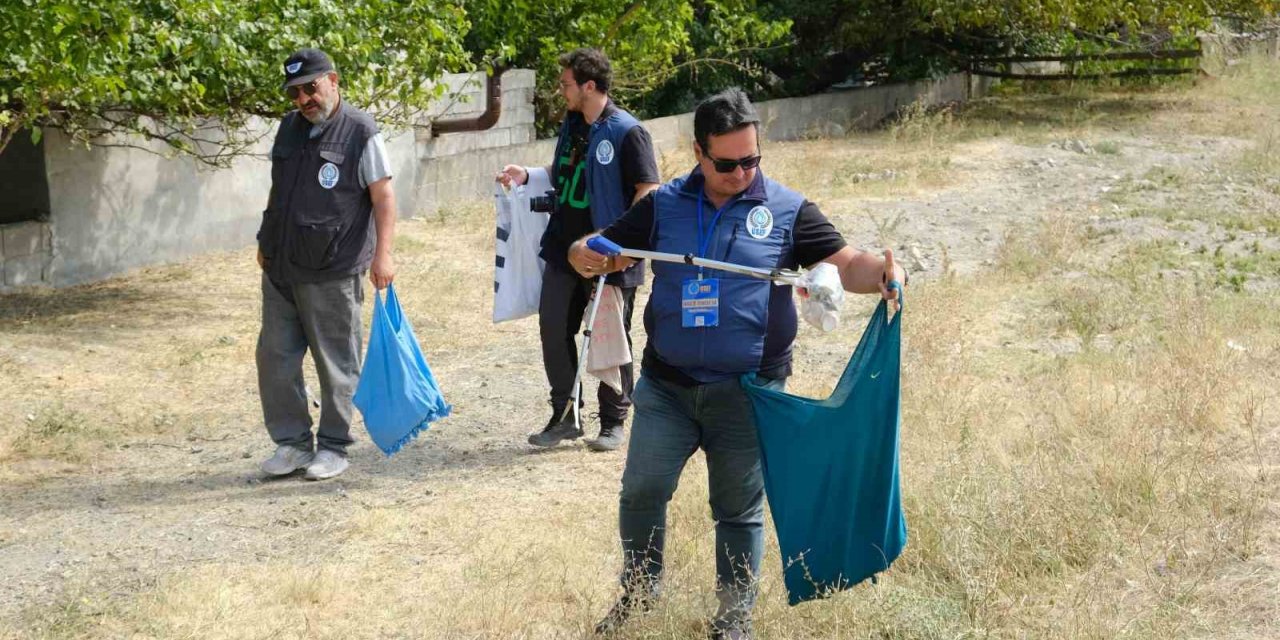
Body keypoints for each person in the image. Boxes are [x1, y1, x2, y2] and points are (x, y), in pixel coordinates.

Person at [568, 88, 906, 639]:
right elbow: (597, 247)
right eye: (728, 164)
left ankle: (732, 621)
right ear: (699, 152)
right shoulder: (664, 205)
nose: (743, 172)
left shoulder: (787, 210)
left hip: (748, 393)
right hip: (667, 390)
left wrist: (885, 275)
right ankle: (638, 595)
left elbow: (846, 265)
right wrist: (581, 252)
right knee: (641, 492)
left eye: (753, 159)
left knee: (737, 511)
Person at [496, 48, 660, 452]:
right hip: (562, 247)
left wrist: (620, 245)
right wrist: (531, 174)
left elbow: (648, 190)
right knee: (553, 328)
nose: (560, 90)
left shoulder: (627, 131)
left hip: (608, 253)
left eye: (566, 83)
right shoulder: (573, 123)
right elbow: (567, 172)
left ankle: (613, 421)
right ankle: (565, 414)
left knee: (610, 333)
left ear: (590, 85)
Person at [255, 48, 398, 481]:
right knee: (274, 357)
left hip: (334, 266)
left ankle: (334, 447)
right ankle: (293, 444)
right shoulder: (288, 129)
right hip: (282, 265)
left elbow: (384, 197)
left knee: (336, 361)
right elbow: (279, 191)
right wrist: (265, 239)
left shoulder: (361, 130)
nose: (303, 99)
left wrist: (384, 254)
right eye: (295, 92)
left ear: (332, 80)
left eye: (310, 88)